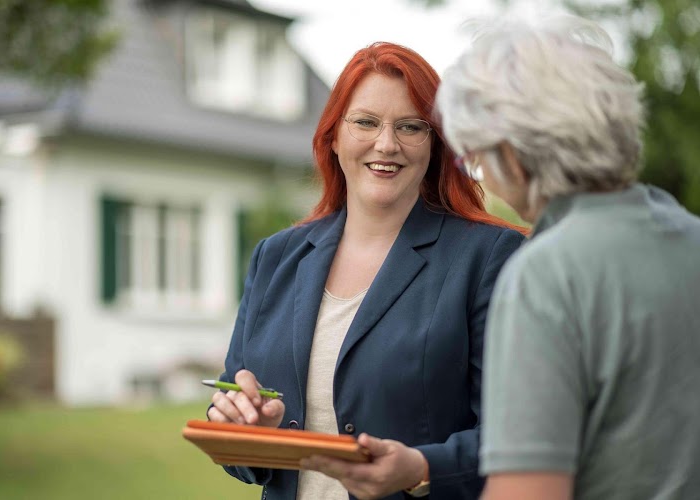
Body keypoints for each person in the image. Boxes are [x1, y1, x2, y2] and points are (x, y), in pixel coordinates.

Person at [206, 42, 525, 499]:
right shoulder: (275, 258)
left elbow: (515, 440)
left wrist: (420, 468)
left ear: (435, 145)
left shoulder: (488, 257)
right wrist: (243, 430)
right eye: (366, 122)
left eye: (411, 126)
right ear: (333, 136)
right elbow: (236, 433)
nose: (386, 143)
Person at [435, 15, 700, 500]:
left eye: (473, 156)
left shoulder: (544, 274)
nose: (479, 175)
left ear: (512, 155)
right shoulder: (690, 237)